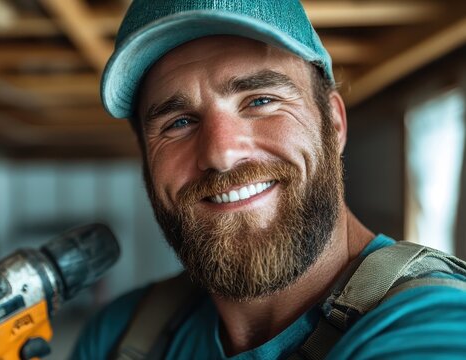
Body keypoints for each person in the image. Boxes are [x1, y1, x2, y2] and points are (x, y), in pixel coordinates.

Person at [72, 0, 466, 359]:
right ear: (146, 160)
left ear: (334, 123)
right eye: (179, 122)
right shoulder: (119, 335)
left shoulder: (436, 326)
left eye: (260, 101)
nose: (221, 154)